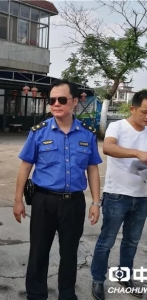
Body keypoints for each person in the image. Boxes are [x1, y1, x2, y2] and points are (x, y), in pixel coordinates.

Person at [13, 79, 102, 300]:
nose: (56, 104)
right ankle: (35, 294)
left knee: (70, 254)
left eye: (62, 100)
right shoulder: (39, 132)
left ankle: (67, 294)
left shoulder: (87, 134)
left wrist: (96, 202)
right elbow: (25, 166)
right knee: (38, 253)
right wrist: (17, 200)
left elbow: (92, 169)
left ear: (74, 102)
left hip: (74, 203)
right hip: (44, 200)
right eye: (52, 100)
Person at [91, 90, 147, 300]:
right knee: (107, 240)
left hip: (142, 196)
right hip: (117, 195)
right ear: (132, 109)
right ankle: (98, 279)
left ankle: (124, 276)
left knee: (132, 242)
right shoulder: (117, 126)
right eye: (144, 111)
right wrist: (136, 153)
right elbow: (108, 147)